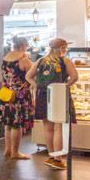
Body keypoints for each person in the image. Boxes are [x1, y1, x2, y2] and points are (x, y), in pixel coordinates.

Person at [27, 37, 77, 170]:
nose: (66, 50)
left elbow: (28, 76)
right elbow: (74, 77)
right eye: (65, 48)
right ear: (61, 48)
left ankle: (51, 156)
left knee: (48, 129)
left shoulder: (40, 61)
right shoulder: (65, 61)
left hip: (43, 96)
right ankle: (58, 159)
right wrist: (65, 86)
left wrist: (37, 86)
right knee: (58, 128)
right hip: (59, 96)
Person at [0, 36, 35, 160]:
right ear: (23, 46)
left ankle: (7, 150)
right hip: (20, 96)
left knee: (8, 124)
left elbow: (1, 79)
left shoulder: (5, 58)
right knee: (17, 124)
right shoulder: (24, 60)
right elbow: (33, 77)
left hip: (6, 95)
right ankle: (15, 152)